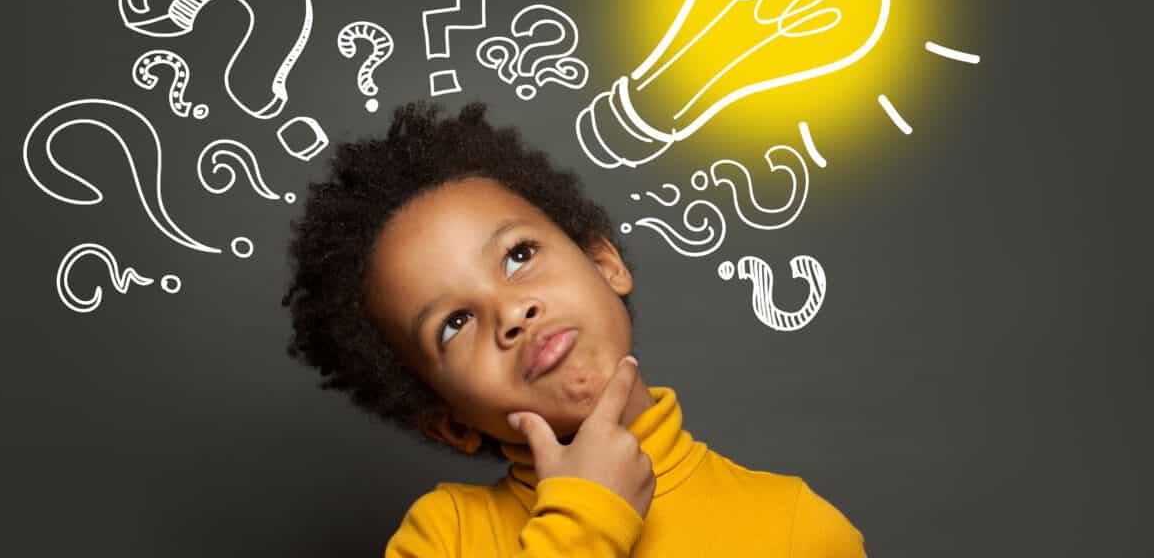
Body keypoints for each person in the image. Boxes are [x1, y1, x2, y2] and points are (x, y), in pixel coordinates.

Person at [281, 99, 865, 556]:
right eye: (455, 322)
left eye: (518, 255)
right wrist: (585, 523)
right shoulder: (443, 538)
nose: (511, 313)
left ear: (604, 262)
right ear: (449, 424)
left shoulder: (795, 528)